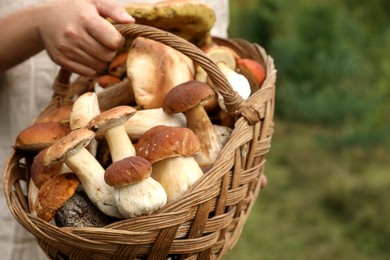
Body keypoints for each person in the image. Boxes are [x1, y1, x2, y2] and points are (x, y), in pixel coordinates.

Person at [0, 0, 229, 259]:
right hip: (23, 170)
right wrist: (36, 25)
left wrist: (241, 148)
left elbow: (212, 53)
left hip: (184, 231)